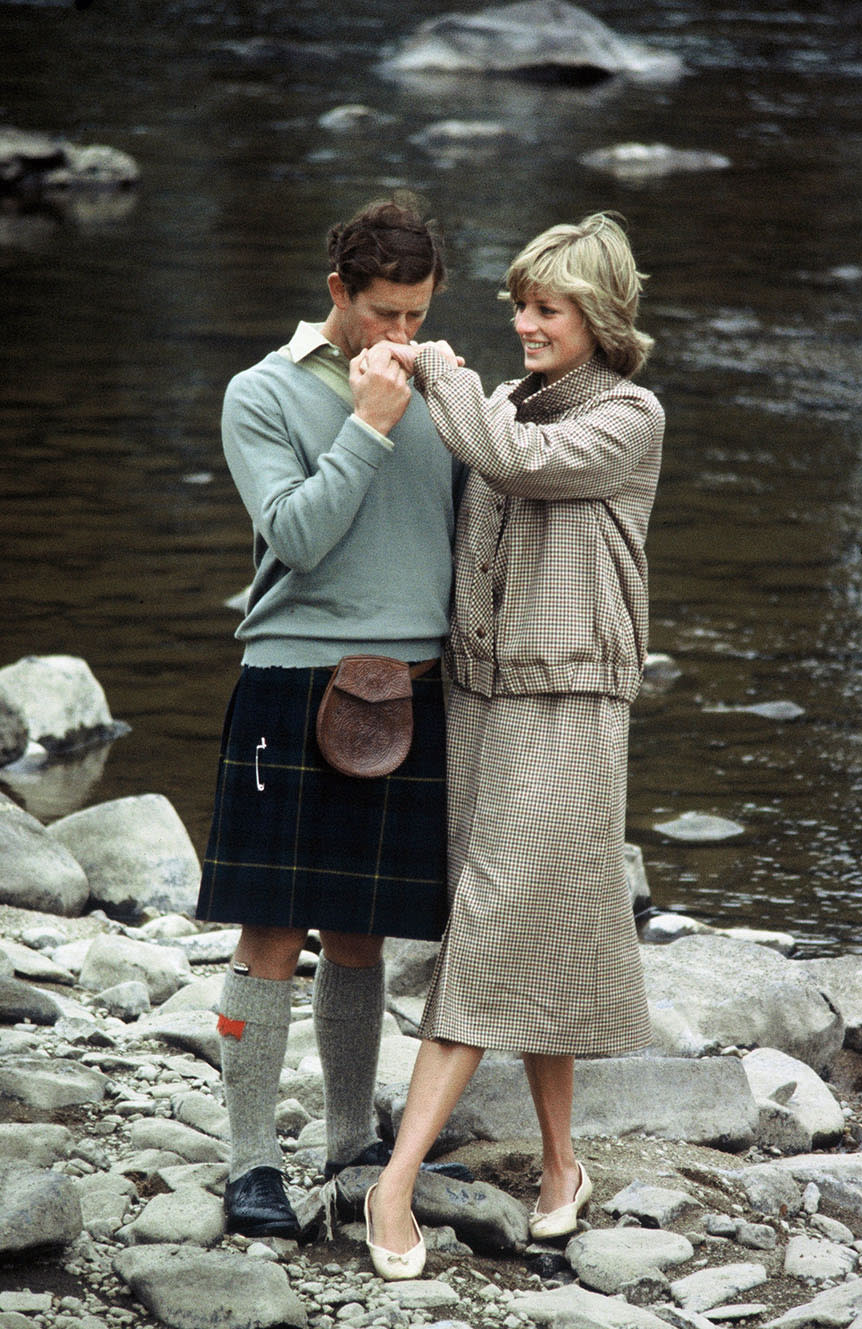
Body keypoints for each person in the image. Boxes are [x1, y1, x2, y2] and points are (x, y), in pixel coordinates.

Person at [363, 212, 664, 1279]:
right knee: (531, 926)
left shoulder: (627, 416)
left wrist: (439, 371)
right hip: (484, 697)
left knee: (491, 928)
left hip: (571, 704)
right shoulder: (503, 404)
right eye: (521, 307)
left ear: (600, 316)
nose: (526, 324)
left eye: (548, 309)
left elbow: (520, 463)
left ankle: (391, 1187)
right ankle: (562, 1166)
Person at [195, 197, 466, 1241]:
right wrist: (368, 425)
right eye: (384, 314)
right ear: (337, 295)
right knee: (272, 928)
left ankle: (353, 1146)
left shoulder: (442, 393)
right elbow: (298, 539)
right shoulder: (259, 394)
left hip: (412, 681)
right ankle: (250, 1160)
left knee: (362, 935)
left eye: (418, 315)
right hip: (293, 678)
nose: (401, 337)